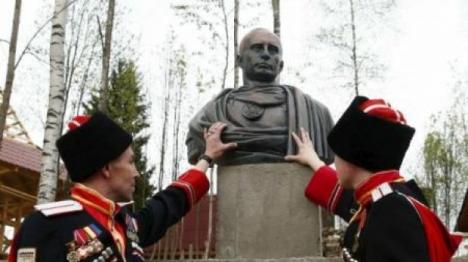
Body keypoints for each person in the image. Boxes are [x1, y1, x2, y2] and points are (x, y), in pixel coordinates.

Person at [8, 112, 236, 262]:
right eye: (130, 161)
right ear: (107, 168)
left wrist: (207, 157)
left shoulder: (124, 224)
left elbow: (168, 204)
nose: (136, 172)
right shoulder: (47, 225)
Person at [286, 96, 463, 262]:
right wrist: (314, 161)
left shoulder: (392, 210)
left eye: (337, 154)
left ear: (353, 157)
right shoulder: (387, 200)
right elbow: (352, 205)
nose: (334, 161)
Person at [186, 28, 334, 166]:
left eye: (273, 50)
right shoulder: (211, 113)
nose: (265, 54)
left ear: (281, 65)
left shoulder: (315, 113)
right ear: (239, 60)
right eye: (257, 48)